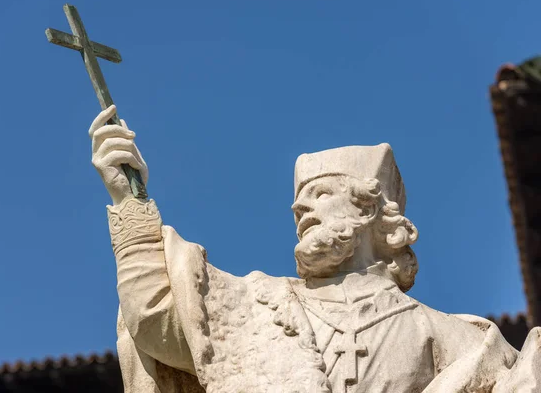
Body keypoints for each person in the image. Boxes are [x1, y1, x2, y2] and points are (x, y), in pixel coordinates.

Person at [90, 105, 541, 392]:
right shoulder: (258, 307)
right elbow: (153, 321)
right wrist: (129, 202)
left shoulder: (454, 339)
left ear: (369, 211)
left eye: (322, 193)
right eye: (299, 202)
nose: (301, 206)